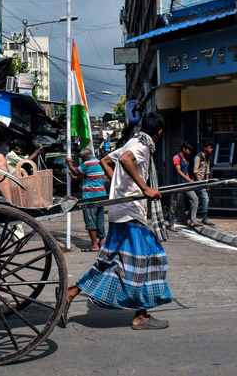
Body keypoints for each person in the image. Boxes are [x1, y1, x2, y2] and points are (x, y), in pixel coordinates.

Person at [62, 112, 172, 330]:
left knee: (114, 260)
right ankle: (141, 316)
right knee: (147, 259)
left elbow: (106, 160)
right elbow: (124, 159)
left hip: (120, 210)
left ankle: (72, 292)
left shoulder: (132, 140)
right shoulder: (142, 145)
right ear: (159, 133)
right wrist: (144, 188)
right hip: (130, 212)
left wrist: (120, 185)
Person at [65, 148, 107, 252]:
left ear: (85, 156)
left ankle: (94, 245)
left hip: (90, 196)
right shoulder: (100, 162)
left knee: (90, 220)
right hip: (101, 194)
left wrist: (68, 163)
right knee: (100, 219)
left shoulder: (87, 164)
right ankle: (102, 242)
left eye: (82, 158)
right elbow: (87, 176)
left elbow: (75, 171)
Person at [168, 141, 202, 230]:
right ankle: (171, 223)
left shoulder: (186, 159)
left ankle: (193, 219)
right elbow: (178, 171)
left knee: (194, 199)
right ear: (184, 149)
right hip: (177, 184)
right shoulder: (176, 157)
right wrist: (188, 179)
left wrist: (190, 180)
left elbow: (185, 171)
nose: (190, 152)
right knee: (174, 204)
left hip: (185, 184)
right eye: (189, 150)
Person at [194, 142, 215, 226]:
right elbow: (195, 171)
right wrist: (200, 182)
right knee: (205, 198)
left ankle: (189, 212)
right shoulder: (198, 157)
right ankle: (204, 218)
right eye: (210, 148)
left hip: (204, 181)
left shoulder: (208, 158)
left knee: (201, 200)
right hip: (198, 181)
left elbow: (207, 172)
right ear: (205, 148)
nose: (211, 149)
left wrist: (207, 183)